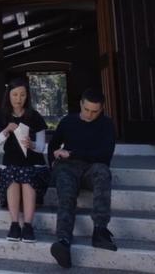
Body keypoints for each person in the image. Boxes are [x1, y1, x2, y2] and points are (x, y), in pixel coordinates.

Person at [46, 88, 117, 269]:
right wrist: (53, 161)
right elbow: (53, 145)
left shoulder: (107, 125)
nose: (90, 114)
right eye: (86, 110)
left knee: (103, 172)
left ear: (101, 109)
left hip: (92, 169)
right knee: (66, 192)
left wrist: (74, 153)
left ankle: (100, 231)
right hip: (67, 168)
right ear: (81, 104)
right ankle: (63, 241)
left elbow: (104, 155)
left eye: (95, 111)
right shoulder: (68, 121)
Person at [0, 78, 49, 243]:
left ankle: (28, 225)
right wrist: (6, 130)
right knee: (13, 176)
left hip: (33, 163)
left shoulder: (35, 116)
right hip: (11, 162)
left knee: (27, 175)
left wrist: (32, 144)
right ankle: (15, 224)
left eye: (22, 95)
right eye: (15, 94)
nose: (18, 98)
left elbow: (42, 147)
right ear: (8, 96)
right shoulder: (1, 116)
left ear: (27, 96)